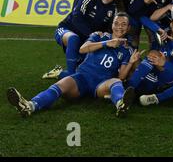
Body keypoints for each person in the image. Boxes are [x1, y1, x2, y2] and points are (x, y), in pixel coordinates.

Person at [7, 12, 141, 118]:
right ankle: (29, 106)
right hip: (81, 77)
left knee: (116, 81)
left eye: (124, 24)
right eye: (116, 23)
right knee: (59, 86)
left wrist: (130, 62)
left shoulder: (127, 50)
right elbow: (82, 49)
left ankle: (121, 104)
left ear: (128, 28)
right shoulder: (99, 36)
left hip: (101, 83)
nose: (119, 26)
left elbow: (122, 76)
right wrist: (107, 43)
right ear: (112, 25)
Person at [43, 0, 123, 80]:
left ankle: (60, 73)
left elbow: (111, 30)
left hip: (85, 39)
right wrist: (91, 34)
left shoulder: (113, 10)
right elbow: (76, 18)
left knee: (85, 72)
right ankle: (72, 78)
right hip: (66, 29)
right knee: (73, 38)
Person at [127, 18, 173, 95]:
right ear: (171, 24)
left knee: (154, 54)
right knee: (135, 62)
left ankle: (128, 88)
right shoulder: (163, 32)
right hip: (153, 73)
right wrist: (159, 29)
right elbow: (142, 18)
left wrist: (164, 63)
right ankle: (133, 92)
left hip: (165, 79)